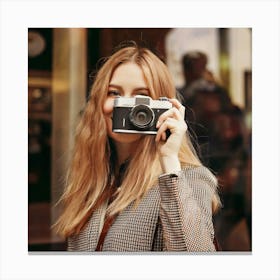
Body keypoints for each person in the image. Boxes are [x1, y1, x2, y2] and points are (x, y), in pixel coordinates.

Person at [53, 42, 221, 252]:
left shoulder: (189, 179)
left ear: (165, 108)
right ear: (98, 102)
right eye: (114, 93)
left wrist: (169, 160)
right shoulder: (93, 182)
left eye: (141, 96)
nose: (125, 105)